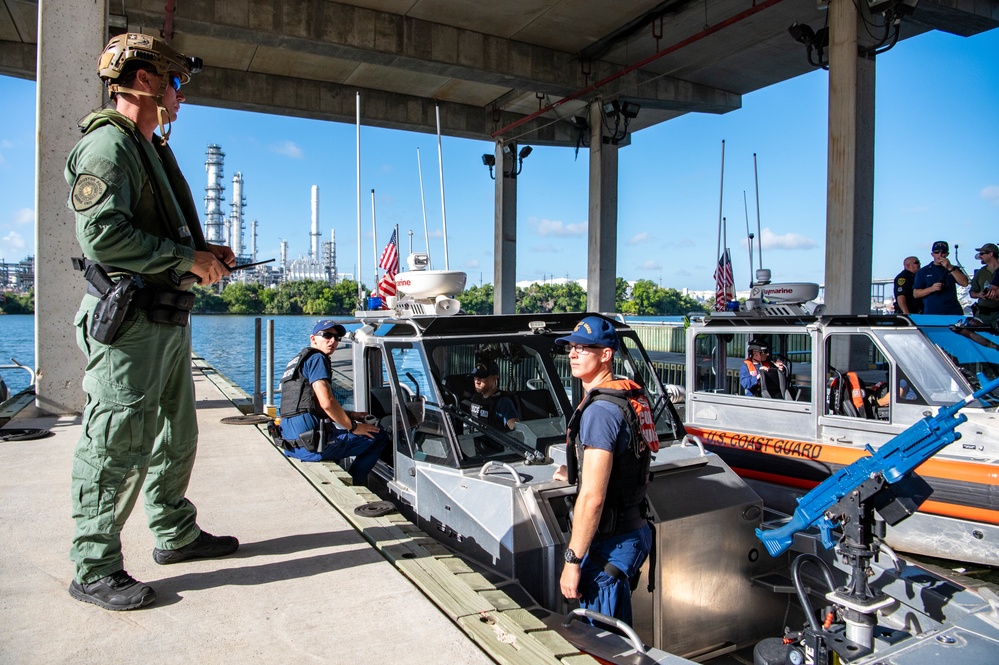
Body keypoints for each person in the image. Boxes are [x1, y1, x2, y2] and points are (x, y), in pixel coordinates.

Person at [67, 33, 239, 612]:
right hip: (131, 322)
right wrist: (184, 259)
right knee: (116, 442)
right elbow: (102, 235)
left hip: (164, 319)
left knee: (176, 435)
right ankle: (93, 566)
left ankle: (175, 532)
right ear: (146, 81)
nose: (180, 96)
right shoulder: (107, 148)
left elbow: (158, 232)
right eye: (177, 83)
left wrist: (205, 250)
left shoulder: (149, 147)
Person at [553, 316, 656, 625]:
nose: (572, 354)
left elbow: (593, 499)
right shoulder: (625, 399)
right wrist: (578, 473)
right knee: (617, 633)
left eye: (583, 348)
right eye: (571, 348)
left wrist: (572, 561)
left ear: (606, 355)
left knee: (602, 641)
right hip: (634, 530)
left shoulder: (599, 412)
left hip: (610, 544)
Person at [278, 320, 389, 485]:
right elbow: (327, 403)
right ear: (313, 338)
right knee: (377, 436)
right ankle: (357, 484)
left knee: (345, 432)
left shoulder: (299, 360)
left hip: (291, 443)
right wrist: (354, 426)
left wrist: (351, 415)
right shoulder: (318, 359)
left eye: (337, 338)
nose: (333, 341)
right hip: (311, 447)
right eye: (327, 335)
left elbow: (309, 405)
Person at [913, 241, 969, 315]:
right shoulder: (924, 271)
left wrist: (950, 268)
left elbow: (965, 283)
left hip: (953, 312)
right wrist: (931, 289)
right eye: (937, 252)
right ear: (932, 254)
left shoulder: (954, 269)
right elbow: (916, 294)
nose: (940, 255)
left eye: (943, 252)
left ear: (947, 254)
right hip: (932, 312)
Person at [468, 361, 520, 430]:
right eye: (475, 377)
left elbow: (516, 429)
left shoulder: (503, 402)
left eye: (482, 377)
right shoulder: (476, 397)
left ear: (494, 378)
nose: (477, 381)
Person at [970, 243, 999, 326]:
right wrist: (979, 294)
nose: (980, 256)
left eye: (982, 254)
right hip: (983, 315)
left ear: (990, 254)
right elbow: (972, 293)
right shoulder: (980, 273)